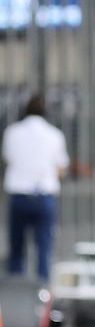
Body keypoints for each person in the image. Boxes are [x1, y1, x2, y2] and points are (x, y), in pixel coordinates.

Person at [2, 93, 69, 281]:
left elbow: (9, 158)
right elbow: (61, 168)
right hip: (43, 197)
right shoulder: (54, 135)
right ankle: (42, 296)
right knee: (44, 249)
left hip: (19, 196)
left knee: (16, 250)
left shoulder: (12, 132)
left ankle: (15, 296)